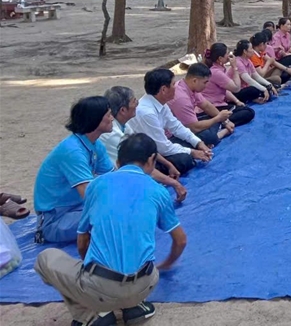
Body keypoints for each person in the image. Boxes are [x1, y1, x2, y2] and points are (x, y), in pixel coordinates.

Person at [34, 134, 188, 326]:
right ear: (151, 160)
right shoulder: (159, 191)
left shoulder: (97, 185)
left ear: (117, 160)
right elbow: (180, 240)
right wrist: (165, 264)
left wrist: (91, 272)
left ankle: (90, 316)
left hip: (101, 287)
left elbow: (82, 242)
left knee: (46, 258)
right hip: (147, 282)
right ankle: (134, 307)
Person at [33, 97, 115, 244]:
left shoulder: (95, 145)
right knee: (113, 216)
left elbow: (112, 178)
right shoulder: (72, 152)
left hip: (78, 208)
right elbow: (89, 194)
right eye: (108, 115)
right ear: (95, 120)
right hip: (55, 220)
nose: (112, 118)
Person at [99, 86, 187, 202]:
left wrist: (168, 164)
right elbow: (138, 164)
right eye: (134, 101)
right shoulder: (113, 134)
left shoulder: (123, 124)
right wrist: (173, 183)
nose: (137, 103)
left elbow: (145, 148)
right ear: (123, 110)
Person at [126, 68, 213, 176]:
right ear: (163, 90)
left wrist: (198, 143)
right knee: (184, 160)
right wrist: (192, 152)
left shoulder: (161, 103)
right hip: (149, 153)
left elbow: (176, 127)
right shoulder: (146, 113)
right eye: (173, 84)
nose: (175, 88)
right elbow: (162, 148)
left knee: (202, 137)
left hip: (162, 144)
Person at [167, 63, 235, 148]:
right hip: (176, 133)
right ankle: (220, 133)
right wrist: (218, 119)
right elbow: (194, 128)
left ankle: (217, 131)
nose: (206, 86)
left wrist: (225, 121)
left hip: (190, 122)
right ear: (194, 80)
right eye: (205, 82)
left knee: (245, 113)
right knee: (208, 136)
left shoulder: (190, 87)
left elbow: (206, 105)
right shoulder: (181, 97)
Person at [201, 43, 256, 124]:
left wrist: (237, 101)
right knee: (249, 112)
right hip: (213, 106)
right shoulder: (216, 72)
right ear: (220, 58)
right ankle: (220, 123)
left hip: (220, 101)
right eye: (227, 53)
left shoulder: (218, 69)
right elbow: (237, 88)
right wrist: (234, 67)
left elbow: (224, 89)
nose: (229, 55)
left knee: (245, 105)